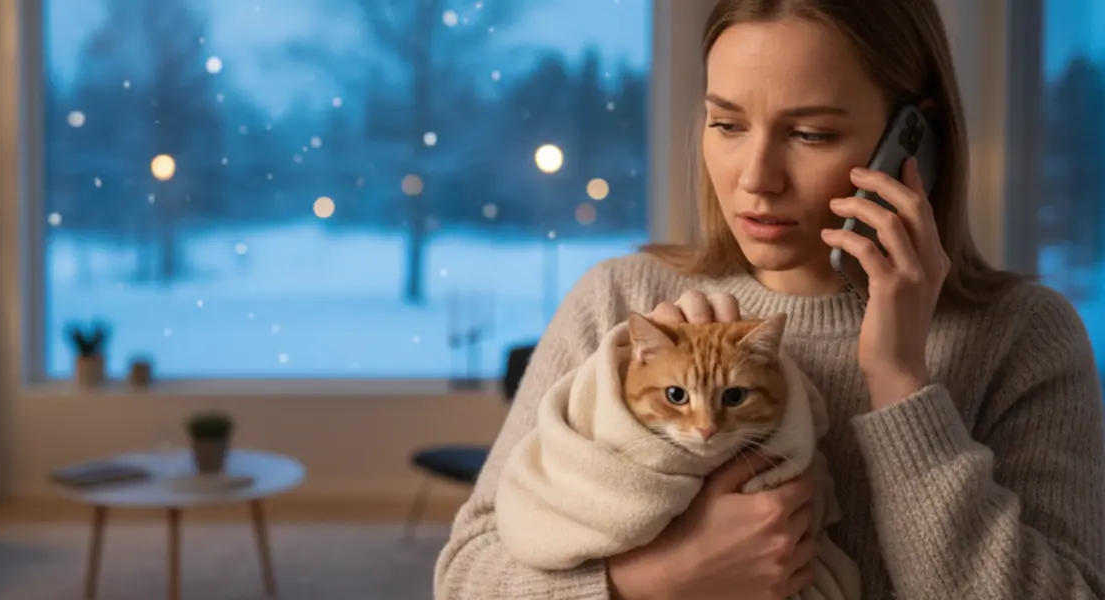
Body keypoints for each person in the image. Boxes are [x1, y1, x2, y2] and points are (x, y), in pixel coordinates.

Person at [433, 0, 1105, 598]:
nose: (755, 180)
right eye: (726, 125)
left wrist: (902, 384)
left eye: (810, 134)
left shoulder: (1022, 336)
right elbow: (466, 575)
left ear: (912, 141)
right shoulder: (621, 298)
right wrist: (657, 582)